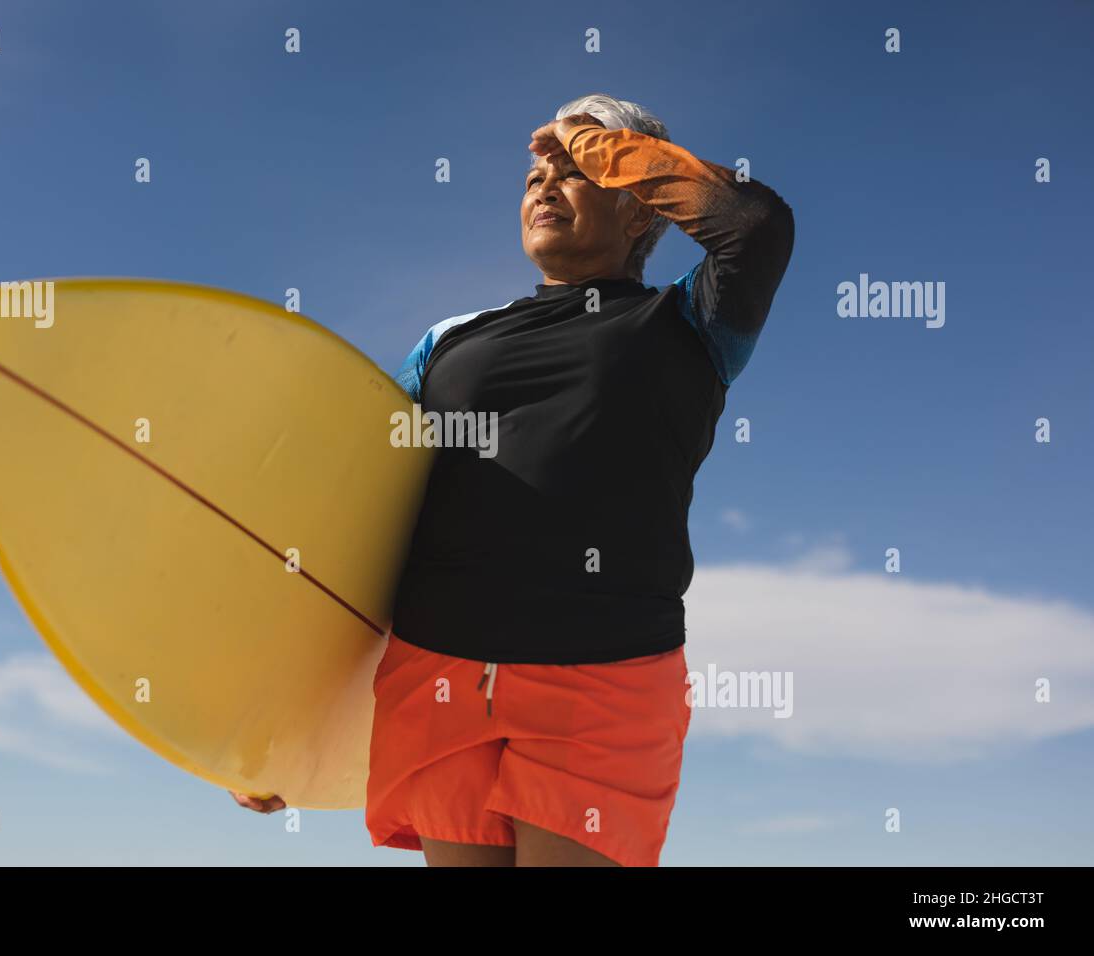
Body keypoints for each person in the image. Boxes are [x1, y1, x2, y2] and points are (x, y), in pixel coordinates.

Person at [234, 92, 794, 866]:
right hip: (438, 672)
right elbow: (355, 513)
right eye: (537, 172)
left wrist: (596, 143)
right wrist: (278, 724)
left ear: (639, 210)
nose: (543, 183)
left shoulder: (689, 329)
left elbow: (756, 226)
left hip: (604, 674)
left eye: (575, 170)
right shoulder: (451, 341)